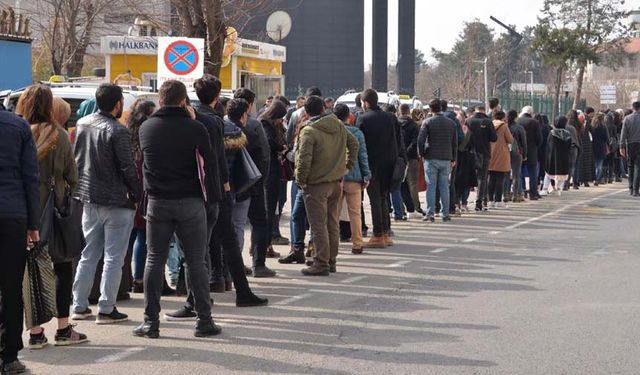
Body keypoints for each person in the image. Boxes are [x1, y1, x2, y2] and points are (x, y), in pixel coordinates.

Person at [134, 80, 219, 339]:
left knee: (154, 259)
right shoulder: (195, 128)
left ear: (160, 100)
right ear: (184, 101)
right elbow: (211, 158)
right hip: (191, 201)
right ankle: (204, 320)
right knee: (196, 259)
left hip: (158, 202)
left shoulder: (146, 127)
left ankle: (151, 322)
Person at [14, 86, 87, 349]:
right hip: (54, 212)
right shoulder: (58, 135)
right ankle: (64, 328)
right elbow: (72, 176)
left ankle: (34, 333)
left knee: (28, 270)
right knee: (63, 266)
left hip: (21, 209)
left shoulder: (17, 131)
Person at [72, 84, 140, 324]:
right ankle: (106, 308)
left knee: (88, 254)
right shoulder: (117, 130)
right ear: (118, 103)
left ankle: (79, 305)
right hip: (116, 200)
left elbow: (78, 159)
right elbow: (127, 167)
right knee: (113, 257)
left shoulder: (83, 124)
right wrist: (137, 193)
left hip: (89, 197)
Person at [295, 96, 358, 275]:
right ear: (323, 108)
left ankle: (321, 262)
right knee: (332, 223)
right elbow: (354, 144)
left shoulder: (309, 131)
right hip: (335, 182)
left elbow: (304, 160)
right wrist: (347, 166)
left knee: (318, 225)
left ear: (306, 112)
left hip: (315, 184)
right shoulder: (337, 125)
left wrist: (301, 180)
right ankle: (331, 260)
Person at [0, 94, 40, 375]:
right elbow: (30, 176)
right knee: (11, 287)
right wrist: (33, 223)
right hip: (12, 213)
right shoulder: (17, 126)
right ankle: (9, 356)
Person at [233, 88, 272, 275]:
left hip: (231, 183)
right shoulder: (254, 125)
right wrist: (261, 180)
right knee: (259, 222)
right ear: (249, 105)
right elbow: (265, 156)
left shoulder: (223, 123)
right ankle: (259, 263)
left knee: (234, 225)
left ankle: (235, 264)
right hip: (253, 180)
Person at [357, 89, 401, 247]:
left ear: (365, 103)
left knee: (375, 199)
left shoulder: (363, 118)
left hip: (372, 164)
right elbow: (397, 140)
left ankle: (377, 235)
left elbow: (359, 144)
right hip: (389, 163)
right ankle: (385, 232)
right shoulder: (390, 117)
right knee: (383, 197)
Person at [127, 100, 157, 294]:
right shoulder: (148, 134)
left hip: (128, 189)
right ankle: (138, 278)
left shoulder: (126, 134)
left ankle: (126, 278)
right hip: (143, 188)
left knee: (129, 236)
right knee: (142, 235)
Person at [257, 100, 289, 276]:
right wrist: (283, 147)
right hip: (269, 170)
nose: (280, 121)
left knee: (272, 208)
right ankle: (263, 246)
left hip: (275, 170)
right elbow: (272, 144)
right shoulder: (264, 123)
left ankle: (266, 244)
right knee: (268, 210)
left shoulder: (273, 124)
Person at [334, 103, 371, 254]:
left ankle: (333, 243)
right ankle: (357, 243)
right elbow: (363, 156)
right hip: (354, 178)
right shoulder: (357, 133)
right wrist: (366, 175)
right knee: (355, 212)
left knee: (333, 214)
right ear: (348, 116)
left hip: (336, 178)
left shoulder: (332, 132)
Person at [418, 99, 457, 223]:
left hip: (431, 157)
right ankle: (445, 213)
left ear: (430, 109)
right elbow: (454, 142)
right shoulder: (451, 123)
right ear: (441, 108)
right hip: (446, 157)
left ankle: (430, 213)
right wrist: (454, 158)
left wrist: (422, 154)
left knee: (431, 186)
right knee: (444, 186)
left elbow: (420, 140)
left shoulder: (427, 122)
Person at [466, 105, 497, 211]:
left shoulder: (469, 121)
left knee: (467, 176)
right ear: (484, 111)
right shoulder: (488, 122)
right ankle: (480, 202)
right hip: (484, 152)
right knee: (482, 178)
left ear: (475, 110)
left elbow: (465, 138)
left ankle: (463, 202)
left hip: (470, 152)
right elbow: (494, 138)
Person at [398, 103, 422, 218]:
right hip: (412, 158)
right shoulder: (414, 125)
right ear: (408, 112)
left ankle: (400, 208)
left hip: (399, 158)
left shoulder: (396, 123)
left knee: (400, 184)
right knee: (413, 184)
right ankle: (415, 207)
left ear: (400, 111)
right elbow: (416, 141)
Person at [487, 110, 513, 208]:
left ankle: (490, 200)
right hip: (501, 154)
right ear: (502, 117)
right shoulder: (504, 126)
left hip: (490, 153)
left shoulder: (489, 124)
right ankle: (498, 200)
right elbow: (510, 140)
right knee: (500, 178)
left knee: (491, 178)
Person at [542, 116, 573, 195]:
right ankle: (559, 190)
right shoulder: (568, 134)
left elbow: (548, 146)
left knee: (549, 174)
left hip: (553, 156)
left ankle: (545, 189)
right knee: (562, 174)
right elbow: (570, 146)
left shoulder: (552, 133)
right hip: (564, 157)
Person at [518, 106, 542, 200]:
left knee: (519, 172)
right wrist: (536, 146)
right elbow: (539, 138)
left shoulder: (518, 121)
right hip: (532, 150)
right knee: (533, 173)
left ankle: (522, 191)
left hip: (520, 150)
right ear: (531, 113)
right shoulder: (534, 122)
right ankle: (533, 194)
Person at [505, 110, 527, 202]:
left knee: (506, 173)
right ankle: (515, 194)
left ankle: (506, 194)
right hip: (516, 152)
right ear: (516, 117)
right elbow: (524, 142)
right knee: (516, 174)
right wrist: (525, 154)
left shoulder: (505, 127)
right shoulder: (519, 128)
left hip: (505, 152)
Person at [620, 101, 640, 196]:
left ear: (633, 108)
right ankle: (636, 190)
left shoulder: (627, 119)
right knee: (638, 167)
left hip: (630, 145)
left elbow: (623, 134)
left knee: (630, 166)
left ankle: (631, 188)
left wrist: (622, 146)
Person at [591, 113, 609, 185]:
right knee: (599, 165)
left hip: (593, 147)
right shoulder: (604, 127)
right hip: (601, 147)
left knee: (594, 164)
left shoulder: (592, 127)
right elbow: (606, 138)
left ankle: (594, 178)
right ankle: (597, 179)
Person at [565, 110, 581, 190]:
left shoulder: (565, 125)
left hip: (566, 146)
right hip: (575, 145)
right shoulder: (578, 124)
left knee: (566, 166)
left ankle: (565, 183)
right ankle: (574, 182)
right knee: (573, 166)